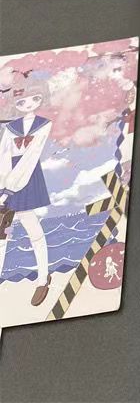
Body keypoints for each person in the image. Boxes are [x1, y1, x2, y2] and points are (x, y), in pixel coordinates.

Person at [0, 77, 53, 306]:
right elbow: (3, 155)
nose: (28, 103)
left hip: (26, 178)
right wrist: (2, 184)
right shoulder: (11, 127)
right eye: (22, 101)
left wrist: (10, 187)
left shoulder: (44, 124)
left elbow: (31, 156)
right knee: (3, 231)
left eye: (34, 98)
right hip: (6, 180)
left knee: (31, 227)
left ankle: (43, 278)